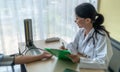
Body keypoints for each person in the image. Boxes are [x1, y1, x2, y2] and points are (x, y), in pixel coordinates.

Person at [61, 3, 113, 69]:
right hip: (79, 67)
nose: (75, 21)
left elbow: (103, 62)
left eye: (77, 18)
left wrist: (80, 59)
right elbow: (74, 46)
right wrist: (66, 50)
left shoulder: (101, 36)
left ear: (87, 20)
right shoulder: (81, 31)